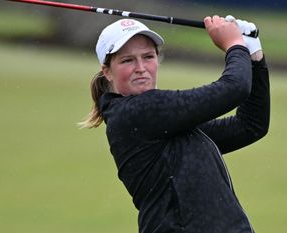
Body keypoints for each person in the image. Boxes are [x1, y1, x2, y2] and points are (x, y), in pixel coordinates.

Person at [80, 15, 270, 233]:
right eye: (127, 60)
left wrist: (254, 56)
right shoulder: (137, 113)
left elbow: (250, 126)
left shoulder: (165, 122)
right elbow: (234, 88)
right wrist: (235, 45)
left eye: (148, 56)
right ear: (107, 72)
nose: (141, 67)